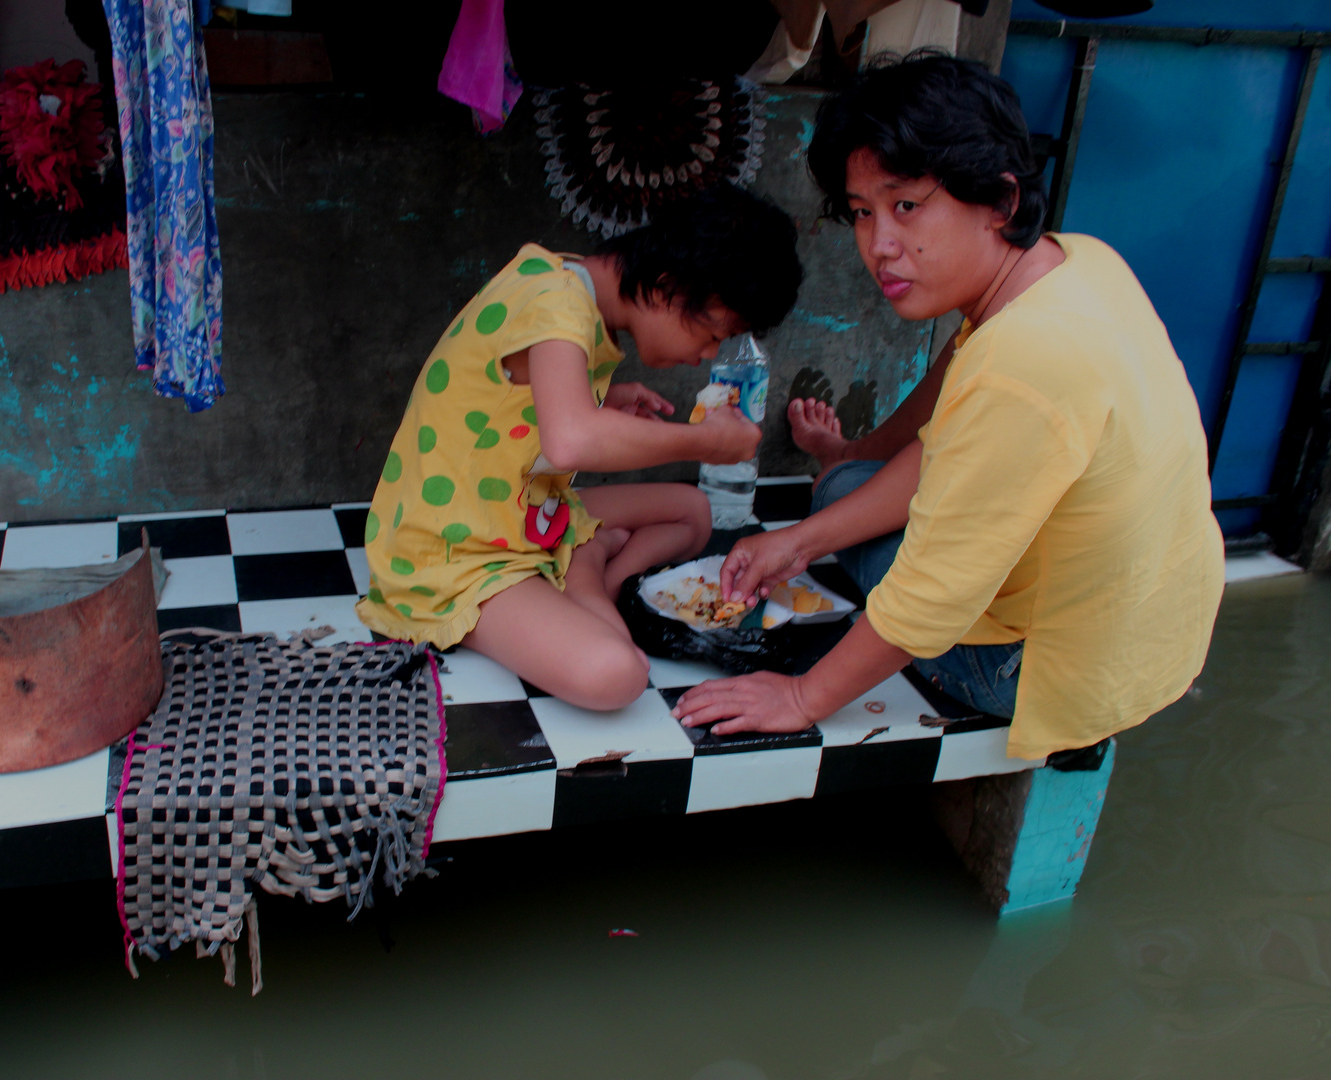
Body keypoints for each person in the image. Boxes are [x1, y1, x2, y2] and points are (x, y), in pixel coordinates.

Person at [673, 53, 1224, 761]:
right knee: (847, 490)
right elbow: (946, 449)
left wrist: (801, 696)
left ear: (999, 200)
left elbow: (929, 600)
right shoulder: (1077, 262)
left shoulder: (1023, 361)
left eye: (906, 206)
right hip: (1150, 632)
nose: (880, 246)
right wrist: (797, 544)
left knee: (846, 492)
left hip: (1045, 672)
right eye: (864, 214)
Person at [357, 186, 802, 710]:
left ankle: (585, 567)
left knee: (693, 512)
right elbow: (570, 441)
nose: (705, 355)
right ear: (667, 286)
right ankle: (579, 579)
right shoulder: (557, 302)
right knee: (619, 676)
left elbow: (510, 394)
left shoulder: (567, 281)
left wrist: (605, 398)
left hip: (523, 509)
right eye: (711, 334)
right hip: (455, 550)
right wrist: (708, 441)